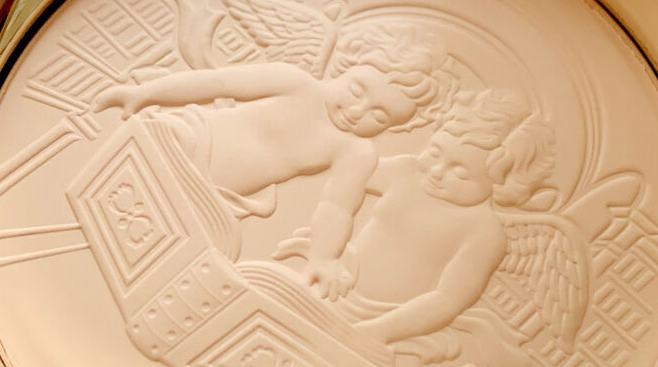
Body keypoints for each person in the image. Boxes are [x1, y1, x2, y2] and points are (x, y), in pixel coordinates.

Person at [92, 24, 448, 295]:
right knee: (144, 154)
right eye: (358, 90)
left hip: (220, 194)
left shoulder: (355, 151)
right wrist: (145, 93)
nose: (358, 112)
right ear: (345, 68)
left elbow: (337, 208)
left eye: (380, 116)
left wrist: (323, 257)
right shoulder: (296, 83)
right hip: (192, 137)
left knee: (212, 242)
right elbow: (217, 83)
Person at [276, 87, 556, 367]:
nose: (436, 171)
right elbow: (347, 177)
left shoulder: (483, 231)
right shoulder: (407, 173)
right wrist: (326, 252)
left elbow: (448, 299)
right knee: (285, 336)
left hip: (400, 323)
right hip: (341, 288)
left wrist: (380, 331)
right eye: (435, 153)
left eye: (460, 172)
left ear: (501, 183)